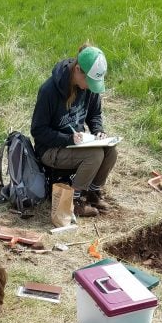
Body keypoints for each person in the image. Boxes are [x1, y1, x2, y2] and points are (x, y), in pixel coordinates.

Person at [31, 43, 117, 218]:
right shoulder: (49, 91)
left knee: (110, 151)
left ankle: (92, 192)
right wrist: (68, 139)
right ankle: (73, 202)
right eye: (89, 82)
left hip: (76, 143)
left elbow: (95, 114)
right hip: (50, 149)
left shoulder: (88, 88)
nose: (90, 87)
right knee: (94, 155)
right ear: (77, 70)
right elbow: (38, 130)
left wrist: (98, 130)